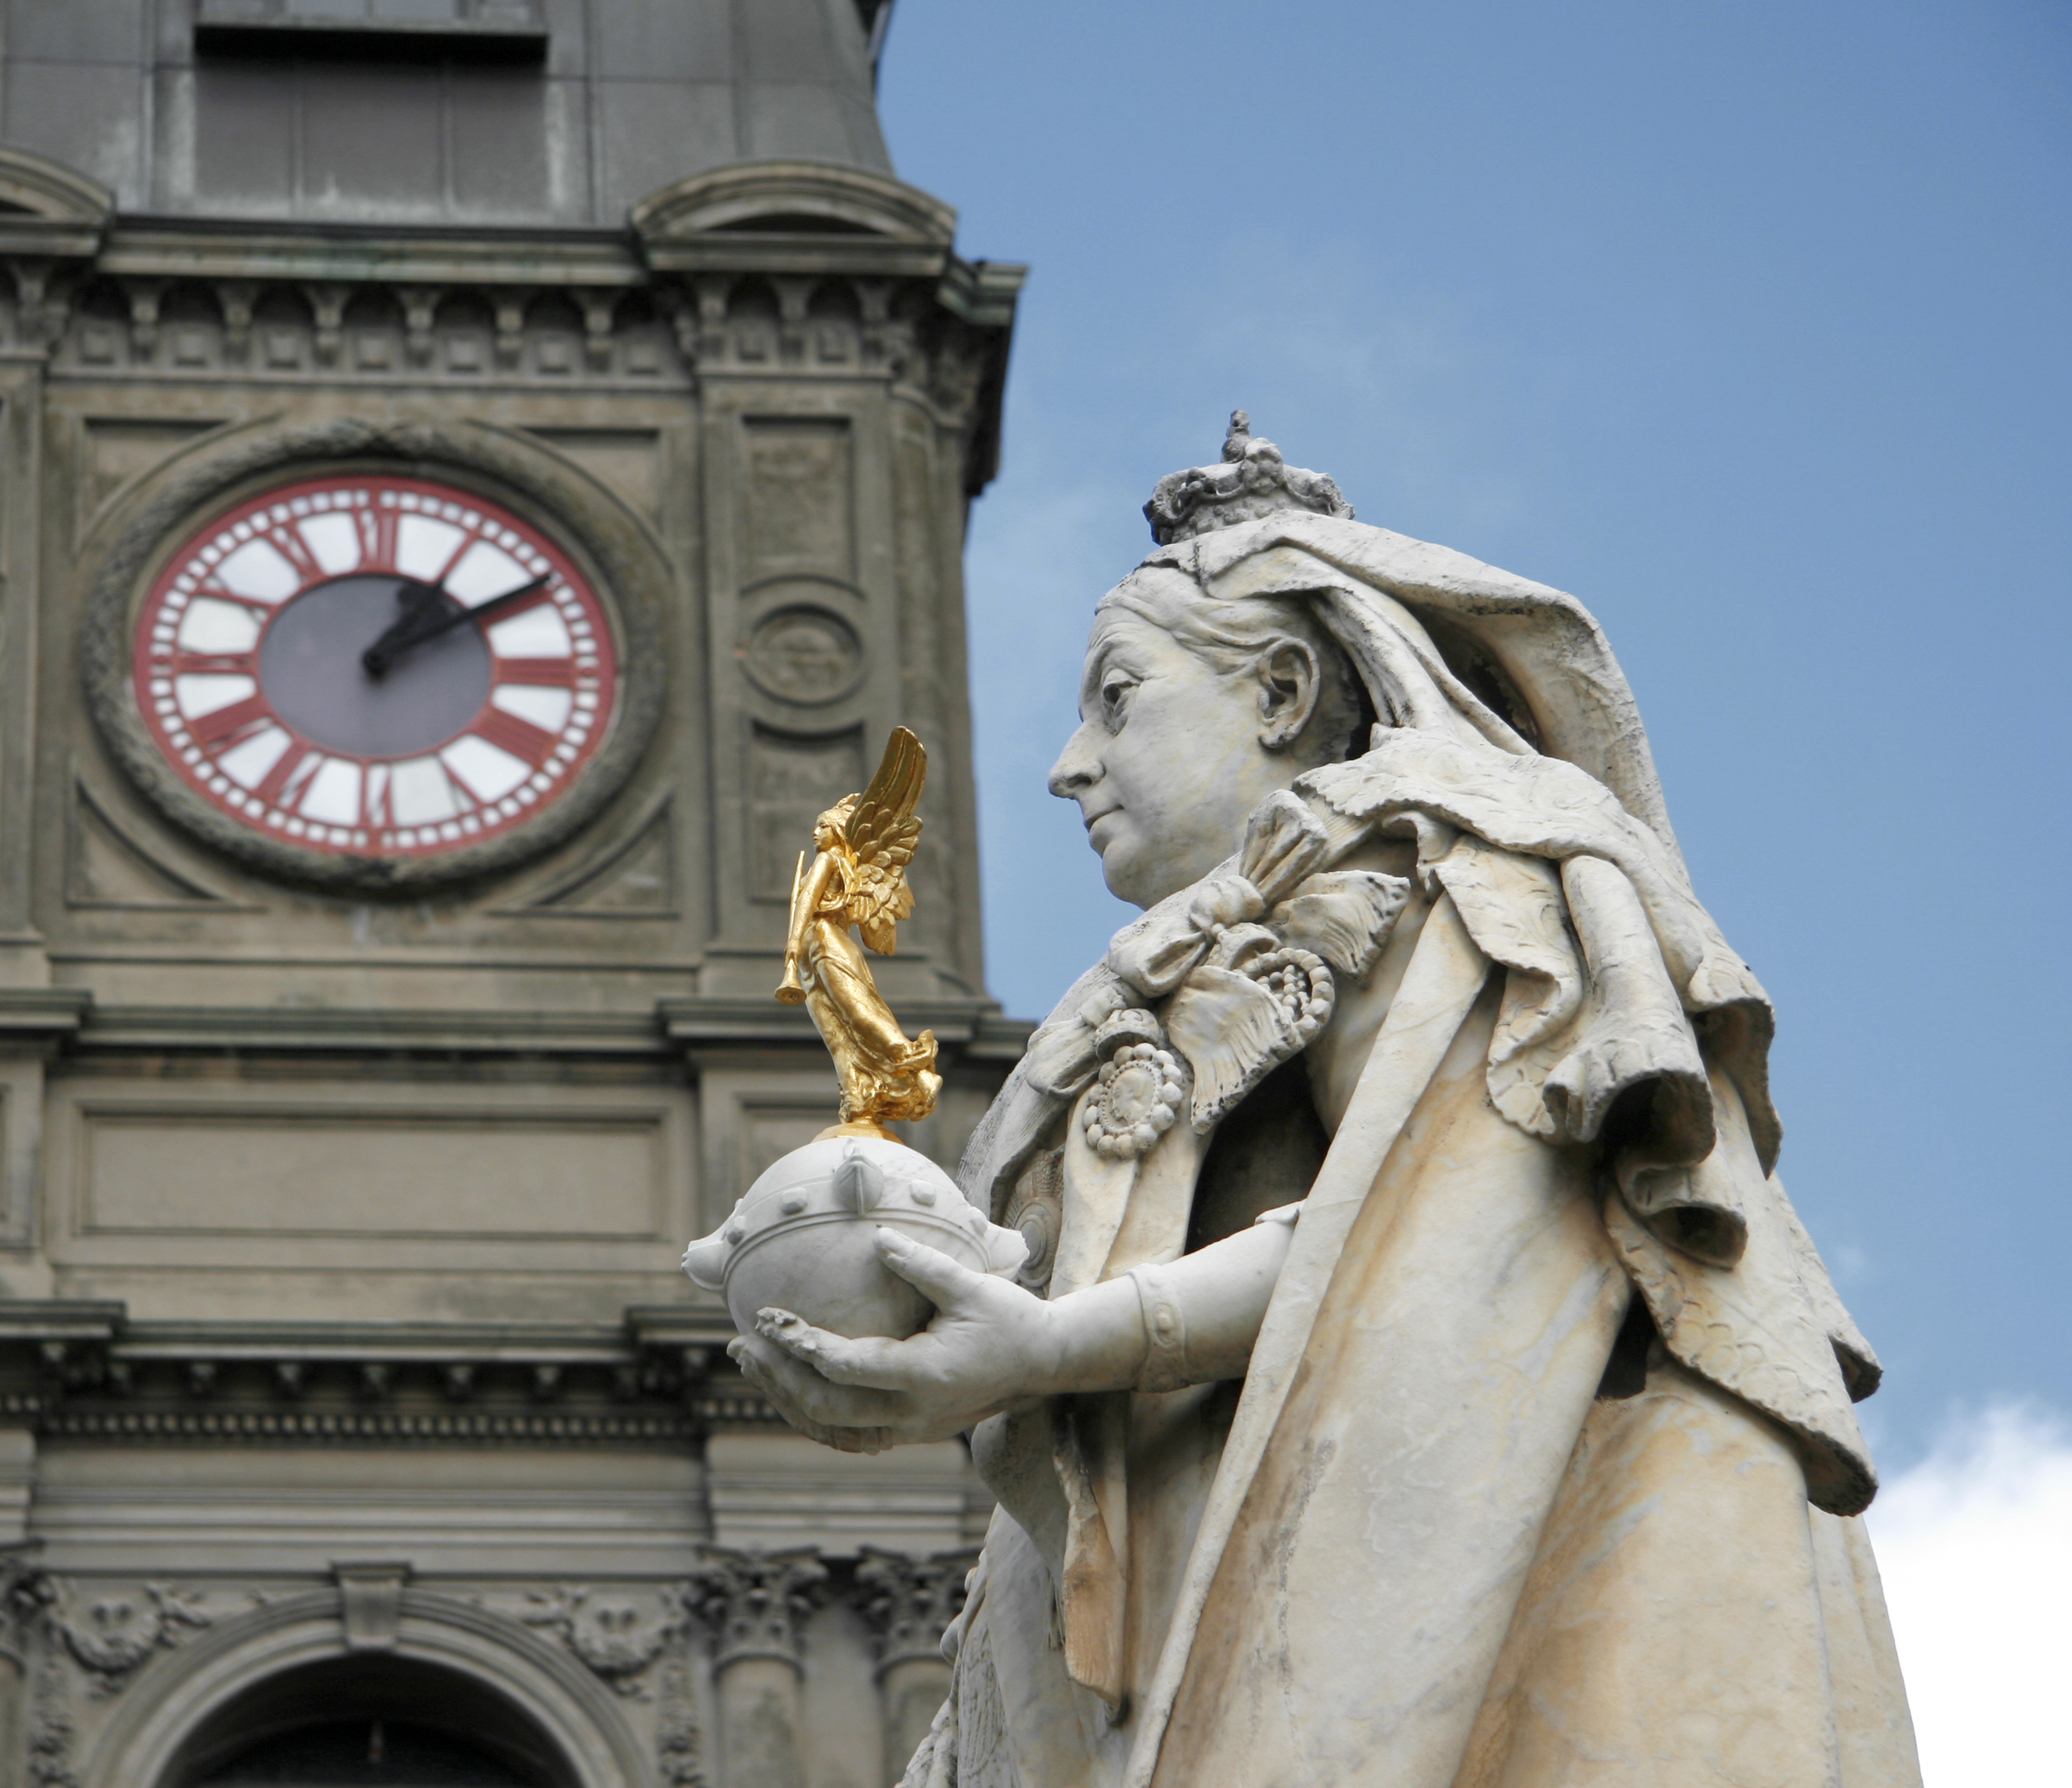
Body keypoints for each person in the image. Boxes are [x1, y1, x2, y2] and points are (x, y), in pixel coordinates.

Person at [730, 420, 1920, 1788]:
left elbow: (1424, 1246)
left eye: (1116, 699)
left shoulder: (1451, 882)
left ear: (1283, 691)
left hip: (1538, 1607)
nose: (1069, 763)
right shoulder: (1243, 942)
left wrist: (1048, 1344)